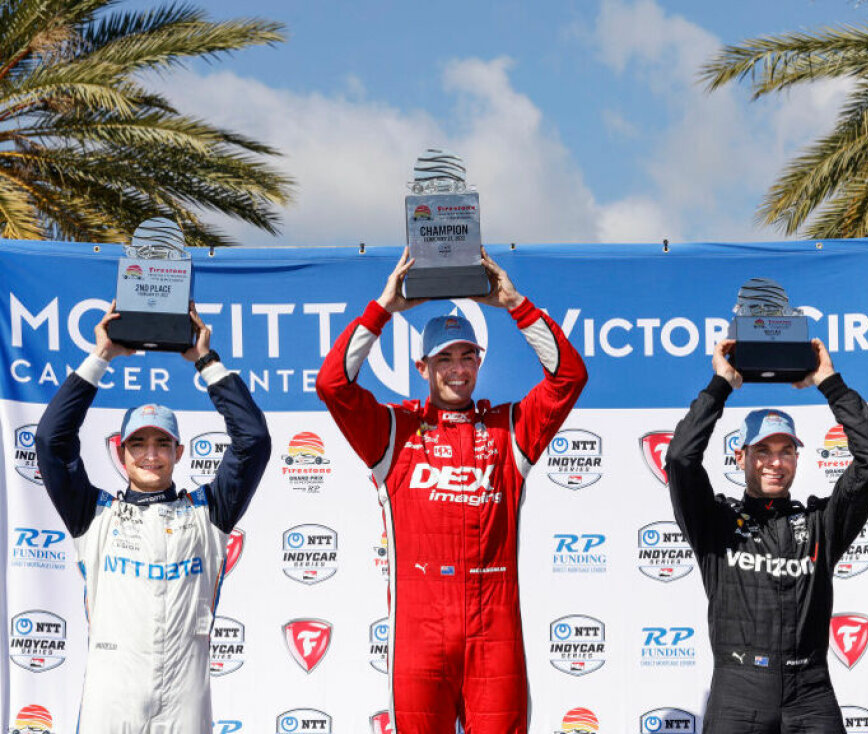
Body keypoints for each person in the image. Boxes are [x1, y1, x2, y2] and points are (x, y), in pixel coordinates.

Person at [317, 247, 587, 734]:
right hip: (420, 633)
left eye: (467, 356)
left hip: (494, 630)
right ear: (423, 367)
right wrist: (383, 310)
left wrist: (514, 304)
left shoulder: (509, 429)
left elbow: (569, 377)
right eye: (445, 358)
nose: (458, 368)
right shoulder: (393, 432)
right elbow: (334, 385)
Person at [35, 303, 271, 734]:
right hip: (112, 701)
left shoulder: (208, 513)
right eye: (138, 443)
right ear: (121, 453)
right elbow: (52, 440)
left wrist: (205, 360)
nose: (150, 454)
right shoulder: (94, 514)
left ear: (179, 453)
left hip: (184, 700)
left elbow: (252, 440)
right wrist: (101, 355)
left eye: (162, 443)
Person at [665, 338, 868, 734]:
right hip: (739, 691)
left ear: (797, 459)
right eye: (763, 450)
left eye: (786, 451)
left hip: (810, 691)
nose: (775, 462)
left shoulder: (821, 523)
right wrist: (721, 386)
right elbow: (681, 459)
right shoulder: (715, 523)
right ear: (741, 456)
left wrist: (830, 383)